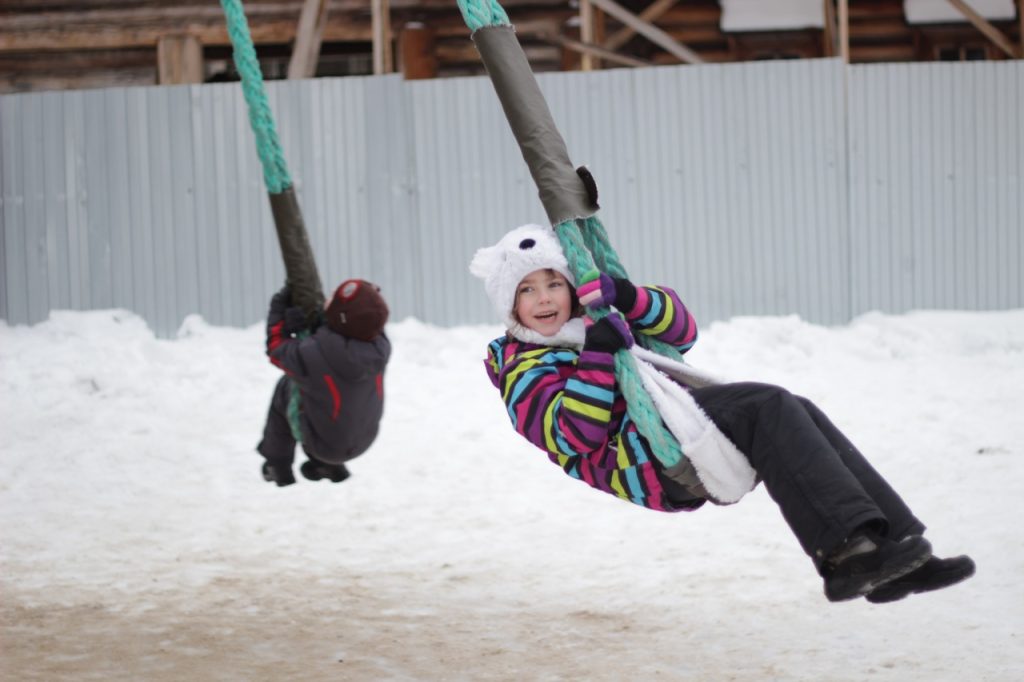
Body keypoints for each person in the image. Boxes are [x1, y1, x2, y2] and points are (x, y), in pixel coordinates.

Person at [470, 223, 974, 603]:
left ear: (570, 286)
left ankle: (901, 548)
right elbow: (571, 434)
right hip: (645, 458)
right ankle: (845, 554)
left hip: (670, 423)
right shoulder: (522, 363)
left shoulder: (594, 318)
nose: (543, 299)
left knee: (798, 410)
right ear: (509, 305)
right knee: (767, 406)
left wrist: (625, 297)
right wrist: (600, 356)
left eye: (552, 283)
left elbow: (681, 332)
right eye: (526, 290)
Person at [257, 279, 390, 487]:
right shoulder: (380, 345)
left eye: (331, 299)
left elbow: (276, 349)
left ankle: (278, 464)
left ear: (338, 316)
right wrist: (312, 328)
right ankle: (329, 467)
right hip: (365, 439)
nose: (326, 300)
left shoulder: (312, 355)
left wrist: (279, 309)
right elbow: (347, 329)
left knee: (286, 387)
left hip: (323, 446)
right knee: (329, 393)